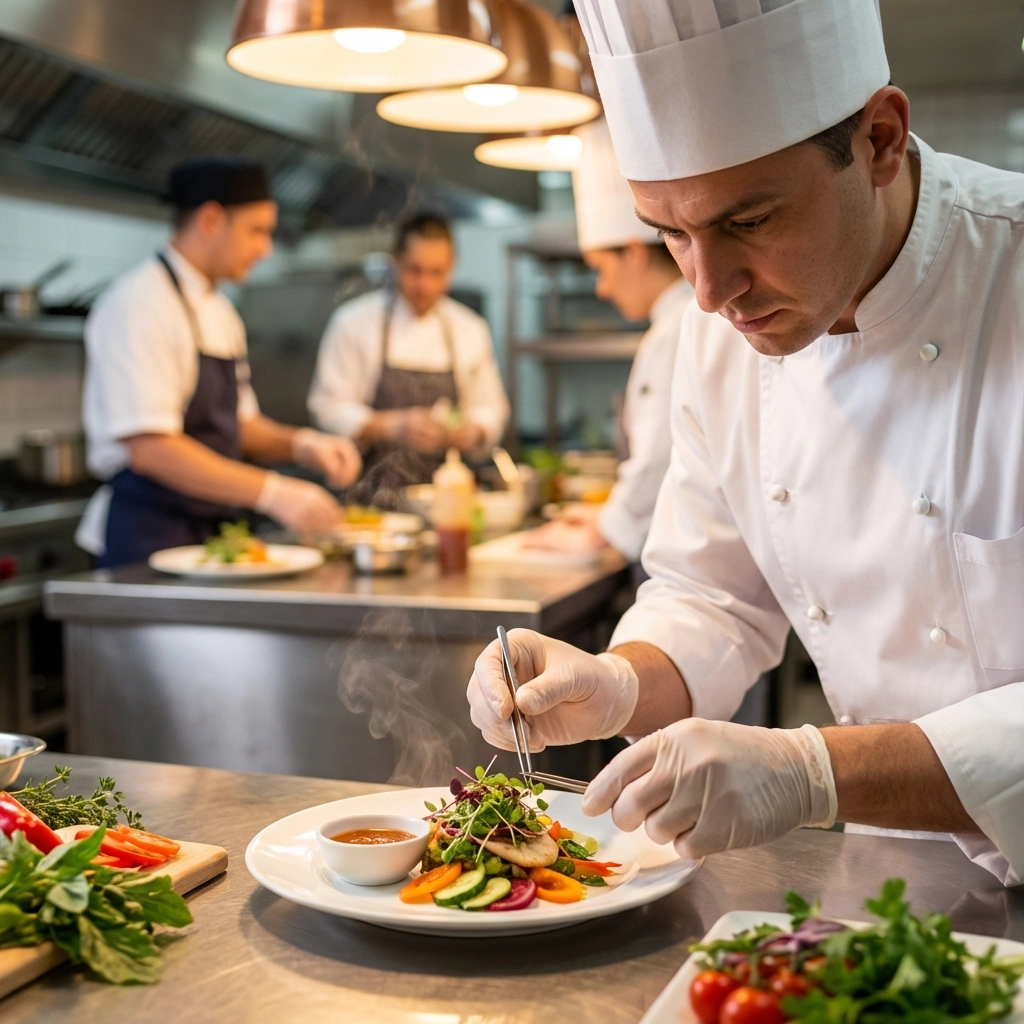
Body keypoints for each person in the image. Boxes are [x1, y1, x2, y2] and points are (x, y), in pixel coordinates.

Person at [468, 0, 1024, 886]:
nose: (708, 291)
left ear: (880, 139)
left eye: (750, 221)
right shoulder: (718, 332)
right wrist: (614, 680)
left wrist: (817, 774)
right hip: (900, 875)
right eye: (669, 234)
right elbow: (712, 595)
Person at [78, 158, 361, 568]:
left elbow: (239, 425)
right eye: (257, 231)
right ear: (210, 220)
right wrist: (273, 492)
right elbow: (150, 449)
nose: (265, 250)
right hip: (147, 535)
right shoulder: (140, 304)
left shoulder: (221, 310)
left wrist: (303, 445)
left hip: (210, 534)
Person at [526, 117, 693, 563]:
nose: (600, 289)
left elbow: (660, 458)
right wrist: (606, 518)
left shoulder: (680, 327)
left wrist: (606, 530)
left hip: (676, 556)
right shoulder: (673, 321)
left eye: (601, 268)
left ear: (635, 253)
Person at [307, 212, 509, 491]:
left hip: (448, 499)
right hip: (369, 499)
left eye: (436, 273)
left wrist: (473, 431)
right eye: (414, 270)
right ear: (395, 262)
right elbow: (328, 408)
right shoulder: (354, 322)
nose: (424, 285)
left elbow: (491, 407)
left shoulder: (470, 329)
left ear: (451, 268)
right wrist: (393, 426)